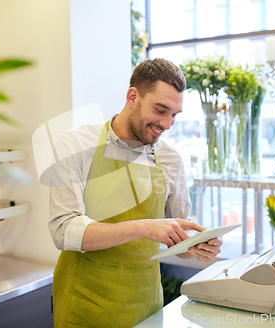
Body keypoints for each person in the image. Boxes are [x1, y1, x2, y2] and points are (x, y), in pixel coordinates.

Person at [49, 58, 222, 328]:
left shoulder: (170, 159)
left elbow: (178, 240)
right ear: (132, 96)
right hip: (84, 304)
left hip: (146, 306)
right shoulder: (75, 144)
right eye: (161, 110)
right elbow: (63, 230)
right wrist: (143, 227)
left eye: (175, 115)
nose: (167, 124)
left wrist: (197, 247)